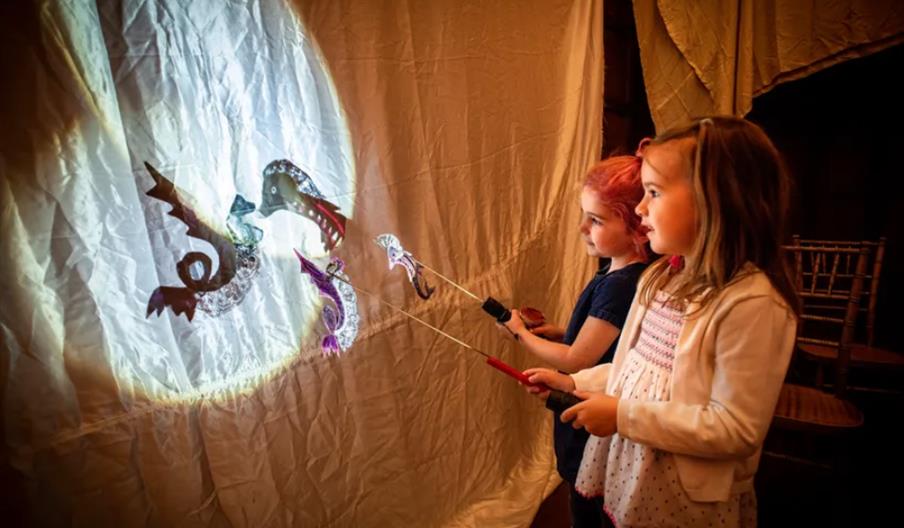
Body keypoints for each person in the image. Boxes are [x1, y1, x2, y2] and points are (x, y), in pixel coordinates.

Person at [524, 117, 799, 527]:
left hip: (680, 497)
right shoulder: (661, 278)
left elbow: (734, 428)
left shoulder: (752, 303)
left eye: (653, 193)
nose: (639, 208)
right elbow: (635, 370)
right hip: (632, 471)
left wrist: (622, 417)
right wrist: (575, 384)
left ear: (717, 200)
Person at [500, 155, 650, 528]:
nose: (583, 227)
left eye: (596, 220)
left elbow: (577, 359)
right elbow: (597, 341)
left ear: (637, 227)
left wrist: (520, 334)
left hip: (593, 414)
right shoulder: (612, 272)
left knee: (586, 500)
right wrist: (559, 332)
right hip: (594, 401)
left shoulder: (621, 285)